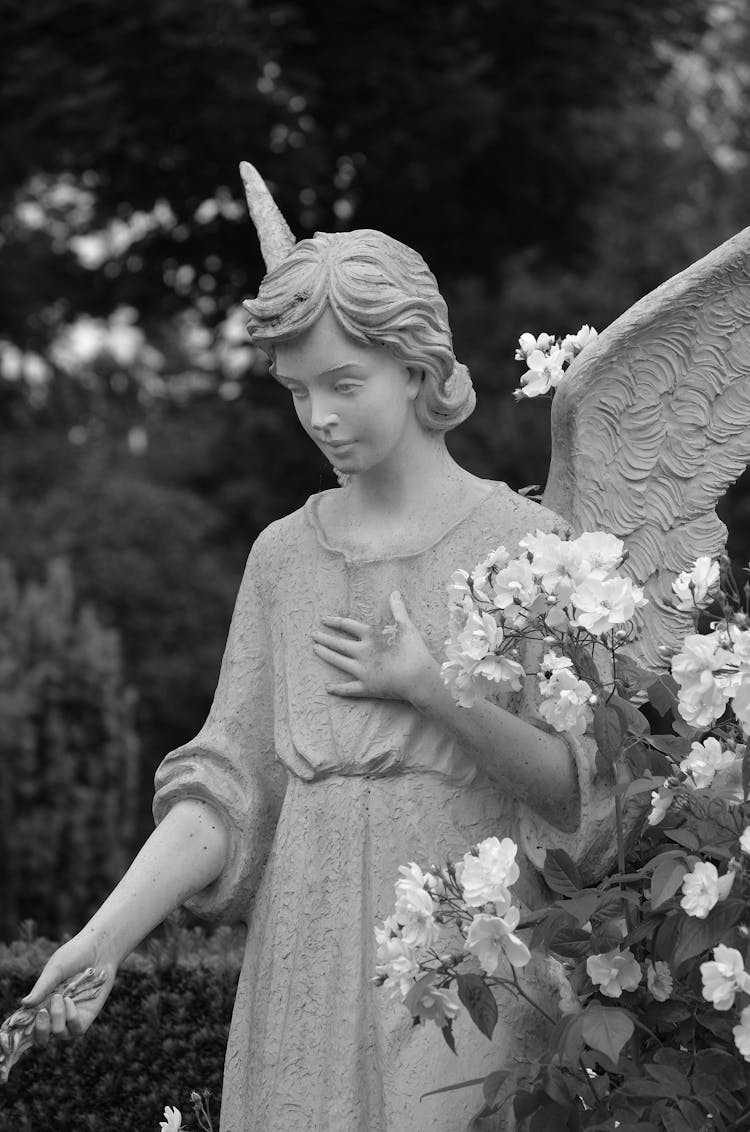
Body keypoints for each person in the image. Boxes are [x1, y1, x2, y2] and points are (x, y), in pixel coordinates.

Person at [22, 227, 610, 1131]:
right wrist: (102, 938)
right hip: (305, 932)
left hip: (463, 947)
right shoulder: (283, 558)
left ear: (418, 369)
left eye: (344, 384)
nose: (320, 417)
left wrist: (431, 691)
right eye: (299, 391)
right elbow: (227, 789)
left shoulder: (525, 546)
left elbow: (578, 791)